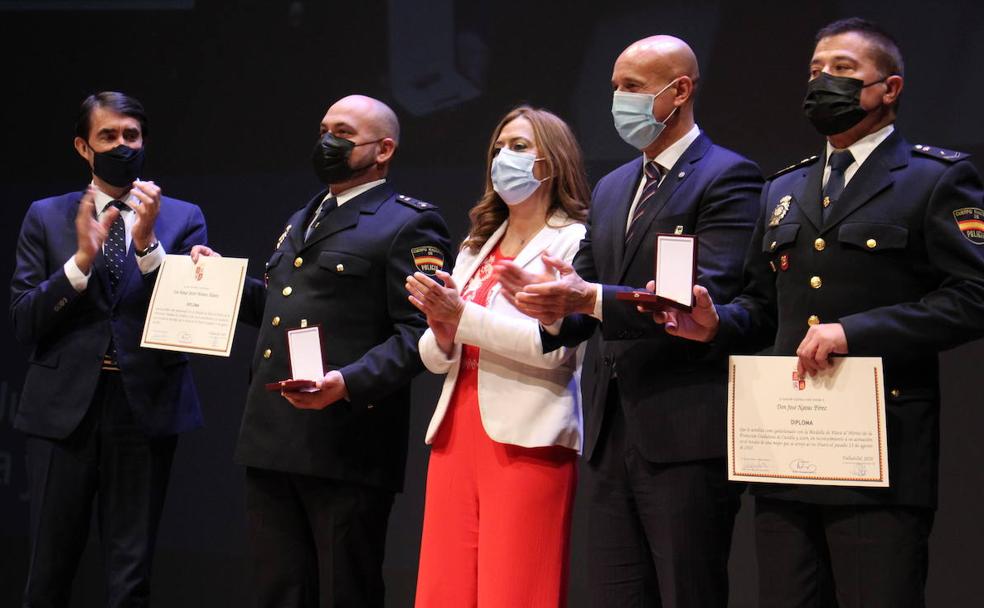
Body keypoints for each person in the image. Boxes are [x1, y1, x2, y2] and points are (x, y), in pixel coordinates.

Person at [651, 18, 984, 608]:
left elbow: (973, 295)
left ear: (890, 88)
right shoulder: (783, 188)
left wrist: (854, 332)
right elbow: (759, 304)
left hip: (878, 458)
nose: (822, 81)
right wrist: (715, 323)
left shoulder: (935, 178)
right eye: (814, 70)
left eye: (843, 70)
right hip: (787, 451)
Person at [498, 36, 763, 607]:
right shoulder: (615, 184)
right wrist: (545, 306)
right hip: (611, 430)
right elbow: (583, 303)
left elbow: (700, 296)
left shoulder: (728, 177)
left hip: (685, 432)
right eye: (615, 86)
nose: (619, 99)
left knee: (689, 592)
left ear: (680, 90)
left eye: (634, 88)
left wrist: (584, 296)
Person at [194, 94, 452, 607]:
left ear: (383, 150)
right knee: (278, 590)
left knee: (343, 591)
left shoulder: (408, 223)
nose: (327, 142)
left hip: (345, 439)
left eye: (343, 133)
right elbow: (279, 307)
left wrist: (347, 382)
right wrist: (219, 279)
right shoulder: (305, 215)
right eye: (323, 129)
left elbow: (417, 334)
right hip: (274, 432)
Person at [10, 91, 207, 607]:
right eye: (108, 136)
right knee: (49, 571)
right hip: (63, 411)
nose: (123, 146)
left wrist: (146, 246)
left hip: (142, 409)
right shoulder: (46, 216)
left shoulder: (182, 217)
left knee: (131, 574)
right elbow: (25, 319)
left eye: (132, 136)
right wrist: (79, 262)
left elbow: (191, 319)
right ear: (83, 146)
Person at [406, 106, 590, 607]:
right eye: (498, 148)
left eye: (519, 146)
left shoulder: (573, 242)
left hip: (526, 439)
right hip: (456, 434)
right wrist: (441, 327)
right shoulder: (475, 246)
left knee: (515, 591)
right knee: (444, 592)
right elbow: (437, 356)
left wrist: (459, 317)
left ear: (552, 162)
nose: (502, 157)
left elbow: (552, 350)